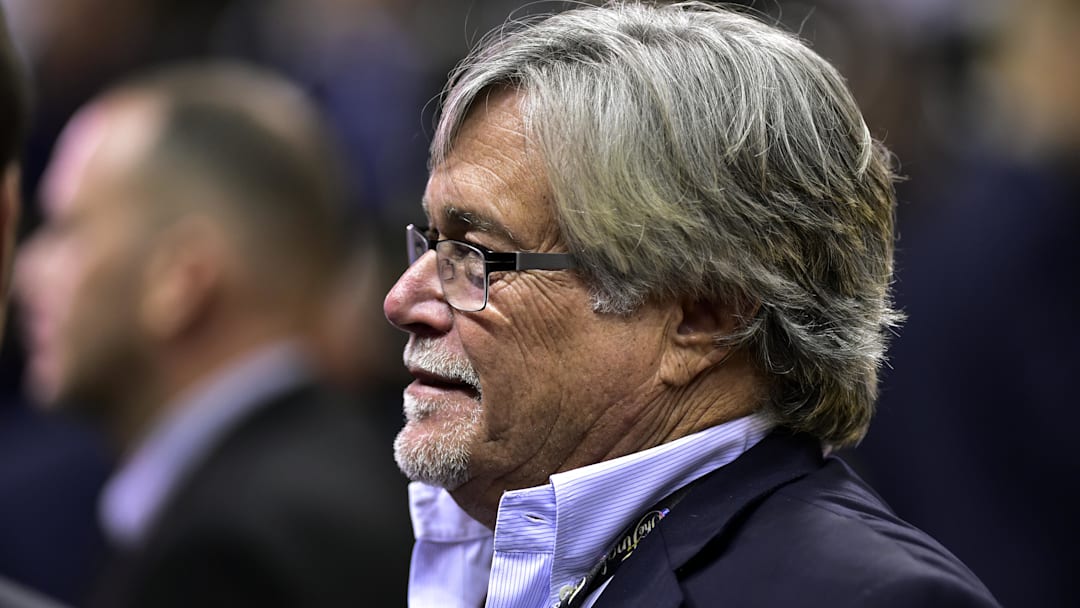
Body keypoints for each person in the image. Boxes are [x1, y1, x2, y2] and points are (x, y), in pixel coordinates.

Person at [383, 3, 1000, 607]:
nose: (402, 299)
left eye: (476, 254)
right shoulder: (496, 543)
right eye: (432, 243)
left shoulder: (866, 595)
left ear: (704, 316)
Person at [16, 62, 411, 607]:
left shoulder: (233, 554)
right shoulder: (337, 489)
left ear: (180, 279)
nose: (26, 273)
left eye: (68, 229)